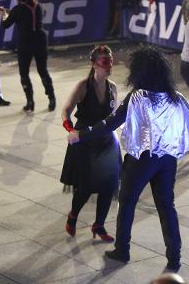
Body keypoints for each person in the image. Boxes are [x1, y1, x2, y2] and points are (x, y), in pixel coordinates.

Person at [67, 45, 189, 272]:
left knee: (128, 201)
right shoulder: (175, 98)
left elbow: (110, 124)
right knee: (166, 206)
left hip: (141, 160)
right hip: (167, 160)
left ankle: (122, 249)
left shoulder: (138, 96)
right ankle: (174, 257)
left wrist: (81, 135)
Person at [60, 45, 120, 242]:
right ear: (94, 64)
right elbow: (66, 110)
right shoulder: (83, 86)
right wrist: (71, 130)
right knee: (85, 187)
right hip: (85, 141)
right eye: (105, 62)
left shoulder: (113, 88)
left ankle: (99, 225)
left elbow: (113, 118)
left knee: (109, 185)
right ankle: (73, 214)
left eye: (111, 61)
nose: (109, 65)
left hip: (106, 142)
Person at [1, 0, 55, 112]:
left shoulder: (18, 9)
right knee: (43, 71)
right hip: (41, 40)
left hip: (26, 42)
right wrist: (11, 13)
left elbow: (5, 24)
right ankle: (52, 99)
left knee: (24, 73)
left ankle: (30, 102)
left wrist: (3, 15)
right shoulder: (38, 6)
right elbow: (25, 15)